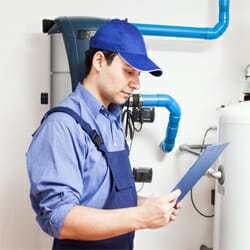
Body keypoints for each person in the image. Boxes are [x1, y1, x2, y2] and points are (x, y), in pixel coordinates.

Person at [26, 18, 182, 250]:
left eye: (138, 74)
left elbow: (100, 198)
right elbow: (59, 218)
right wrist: (140, 217)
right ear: (99, 61)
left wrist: (147, 206)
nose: (136, 83)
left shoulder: (111, 120)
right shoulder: (62, 126)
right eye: (129, 71)